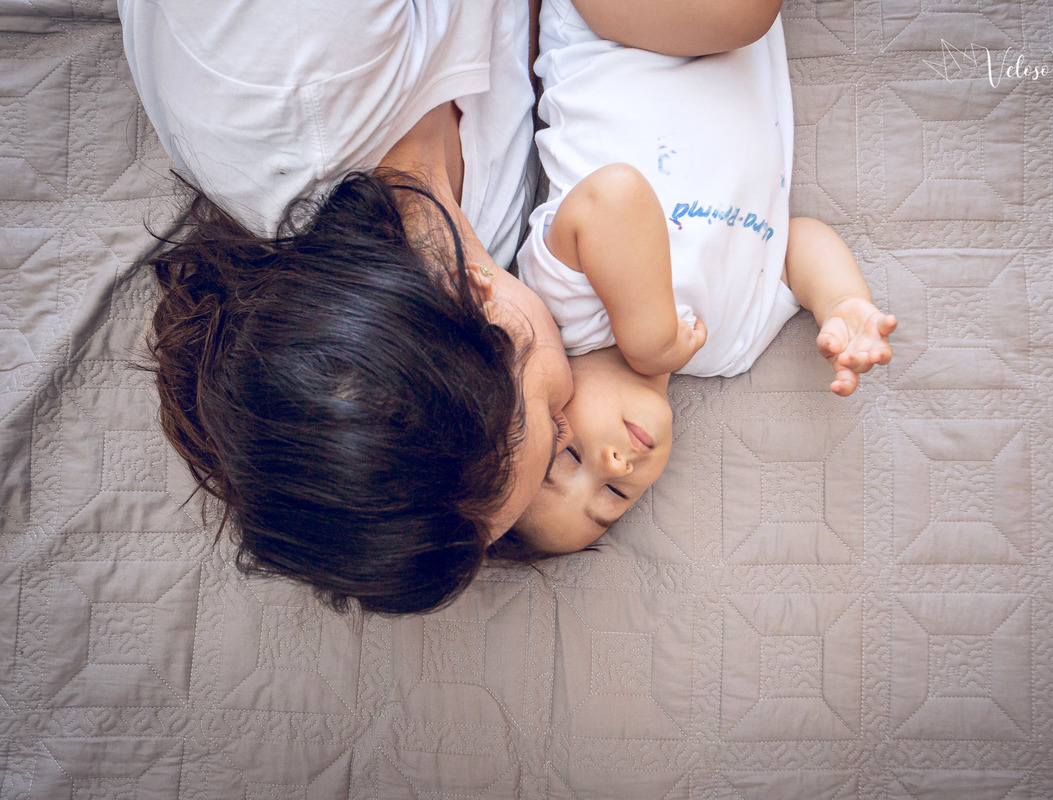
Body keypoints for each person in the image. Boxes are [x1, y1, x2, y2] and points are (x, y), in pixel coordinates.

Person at [117, 0, 791, 613]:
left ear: (475, 301)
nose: (575, 398)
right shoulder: (484, 226)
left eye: (552, 413)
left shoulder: (287, 65)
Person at [511, 0, 897, 553]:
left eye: (571, 457)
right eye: (613, 495)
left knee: (746, 14)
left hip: (612, 29)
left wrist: (649, 342)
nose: (615, 464)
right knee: (747, 16)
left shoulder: (563, 311)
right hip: (720, 36)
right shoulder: (728, 349)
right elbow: (793, 248)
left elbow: (615, 195)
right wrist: (841, 302)